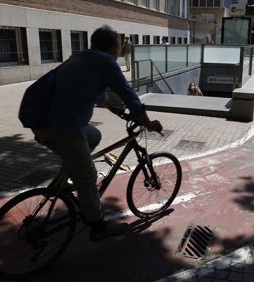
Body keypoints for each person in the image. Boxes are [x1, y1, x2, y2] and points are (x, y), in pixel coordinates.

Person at [28, 25, 162, 241]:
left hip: (45, 123)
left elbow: (92, 89)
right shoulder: (106, 62)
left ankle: (64, 179)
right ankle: (98, 228)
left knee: (94, 136)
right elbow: (130, 96)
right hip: (63, 128)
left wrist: (111, 108)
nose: (120, 50)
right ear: (112, 47)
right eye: (120, 46)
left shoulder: (82, 57)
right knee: (88, 175)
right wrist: (148, 123)